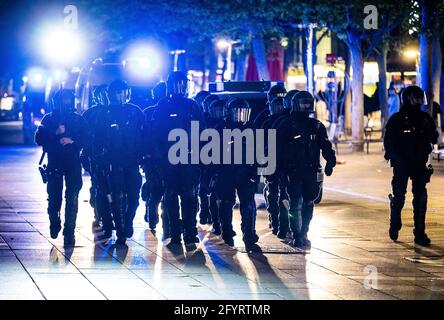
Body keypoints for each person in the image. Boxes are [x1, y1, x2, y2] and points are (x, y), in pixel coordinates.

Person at [151, 71, 205, 245]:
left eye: (183, 84)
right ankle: (175, 231)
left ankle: (190, 231)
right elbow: (156, 136)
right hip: (168, 160)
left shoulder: (192, 106)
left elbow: (202, 134)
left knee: (190, 197)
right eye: (177, 84)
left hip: (189, 159)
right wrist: (159, 161)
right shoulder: (163, 105)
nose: (180, 88)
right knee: (171, 197)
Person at [277, 91, 336, 249]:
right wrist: (279, 172)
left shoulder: (316, 126)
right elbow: (278, 150)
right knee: (295, 203)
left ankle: (304, 232)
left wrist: (330, 161)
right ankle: (296, 234)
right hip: (292, 172)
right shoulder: (286, 125)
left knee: (309, 202)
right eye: (302, 103)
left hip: (311, 171)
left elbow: (326, 146)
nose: (305, 106)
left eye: (307, 103)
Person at [384, 85, 438, 246]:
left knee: (420, 198)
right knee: (399, 197)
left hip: (420, 163)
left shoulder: (425, 118)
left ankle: (420, 233)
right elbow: (389, 142)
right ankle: (395, 223)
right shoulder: (397, 119)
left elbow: (434, 138)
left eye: (421, 97)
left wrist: (430, 130)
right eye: (417, 97)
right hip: (402, 164)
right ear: (408, 98)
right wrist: (394, 156)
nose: (420, 100)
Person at [91, 80, 144, 245]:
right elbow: (95, 139)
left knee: (134, 197)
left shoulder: (135, 112)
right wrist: (99, 159)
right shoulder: (102, 114)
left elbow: (145, 135)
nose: (119, 96)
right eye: (116, 93)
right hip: (112, 162)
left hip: (132, 161)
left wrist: (146, 156)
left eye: (122, 92)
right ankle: (121, 231)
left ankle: (128, 222)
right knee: (117, 197)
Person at [35, 89, 86, 246]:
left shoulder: (78, 119)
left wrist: (72, 141)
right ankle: (54, 221)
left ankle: (69, 231)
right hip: (55, 162)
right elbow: (39, 139)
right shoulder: (49, 119)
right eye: (63, 100)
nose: (66, 103)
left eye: (68, 100)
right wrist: (56, 134)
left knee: (72, 199)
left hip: (72, 163)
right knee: (54, 199)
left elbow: (87, 138)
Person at [215, 98, 260, 251]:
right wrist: (214, 173)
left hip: (245, 173)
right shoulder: (220, 129)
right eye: (237, 112)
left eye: (243, 112)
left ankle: (249, 235)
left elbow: (259, 153)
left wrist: (256, 171)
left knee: (248, 205)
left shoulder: (252, 129)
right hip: (226, 173)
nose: (240, 116)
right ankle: (227, 232)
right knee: (226, 203)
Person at [141, 82, 170, 238]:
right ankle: (159, 220)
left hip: (156, 158)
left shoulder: (149, 112)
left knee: (158, 190)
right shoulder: (153, 112)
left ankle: (157, 219)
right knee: (161, 190)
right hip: (158, 159)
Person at [81, 84, 110, 228]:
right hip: (94, 156)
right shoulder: (90, 114)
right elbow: (84, 135)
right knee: (98, 185)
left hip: (113, 155)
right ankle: (99, 211)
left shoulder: (115, 111)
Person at [261, 96, 289, 238]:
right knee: (272, 193)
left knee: (285, 195)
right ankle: (276, 221)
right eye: (275, 105)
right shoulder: (266, 122)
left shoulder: (287, 122)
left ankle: (284, 225)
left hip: (284, 163)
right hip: (271, 162)